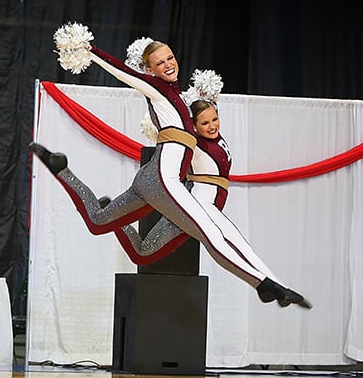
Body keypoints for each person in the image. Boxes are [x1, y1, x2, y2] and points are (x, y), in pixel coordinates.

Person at [29, 25, 310, 308]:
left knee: (98, 222)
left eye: (170, 58)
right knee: (211, 234)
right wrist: (92, 52)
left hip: (150, 179)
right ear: (150, 70)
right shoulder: (157, 90)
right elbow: (123, 73)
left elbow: (200, 117)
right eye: (159, 62)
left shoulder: (178, 102)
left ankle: (61, 170)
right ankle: (264, 285)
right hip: (164, 181)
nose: (168, 64)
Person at [113, 99, 280, 285]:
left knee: (143, 252)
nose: (212, 126)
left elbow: (202, 111)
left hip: (203, 208)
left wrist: (203, 98)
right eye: (205, 123)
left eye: (215, 119)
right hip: (192, 208)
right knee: (143, 253)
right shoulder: (193, 143)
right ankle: (115, 222)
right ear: (193, 126)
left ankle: (270, 283)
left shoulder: (216, 138)